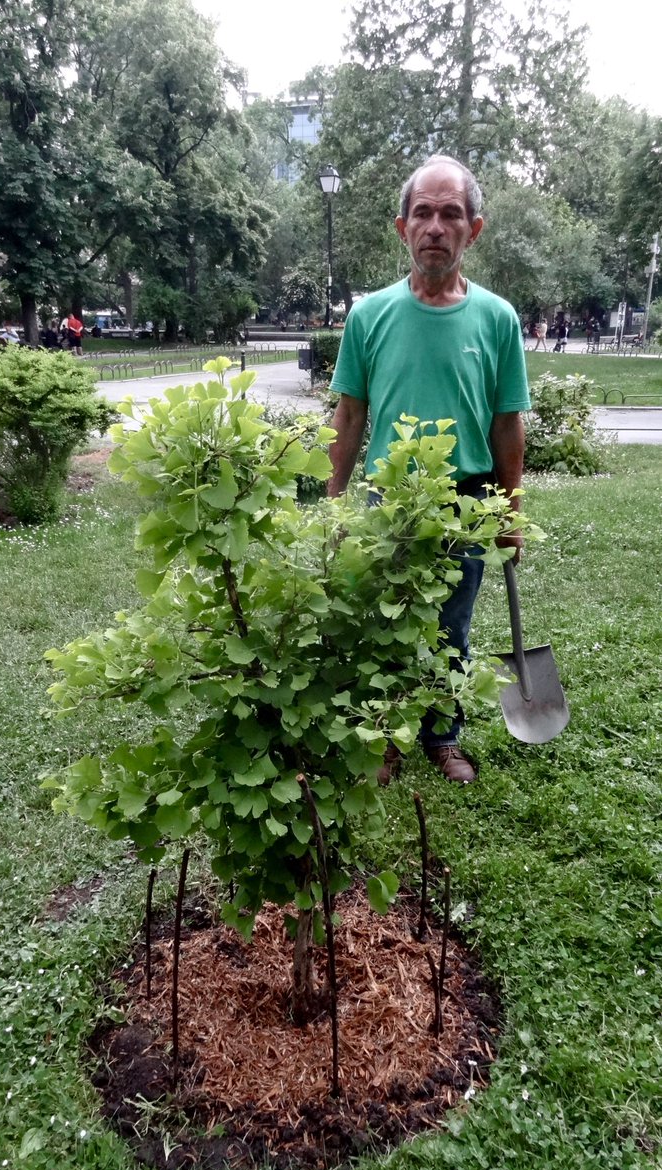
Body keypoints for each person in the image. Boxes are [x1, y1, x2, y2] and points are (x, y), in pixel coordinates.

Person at [327, 154, 530, 785]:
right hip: (387, 504)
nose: (435, 227)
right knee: (380, 625)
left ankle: (442, 737)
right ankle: (385, 738)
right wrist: (334, 503)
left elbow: (505, 424)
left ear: (475, 227)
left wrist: (507, 510)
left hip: (465, 502)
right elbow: (351, 415)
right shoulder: (370, 315)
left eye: (450, 214)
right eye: (423, 213)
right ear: (401, 227)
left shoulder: (497, 319)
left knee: (452, 627)